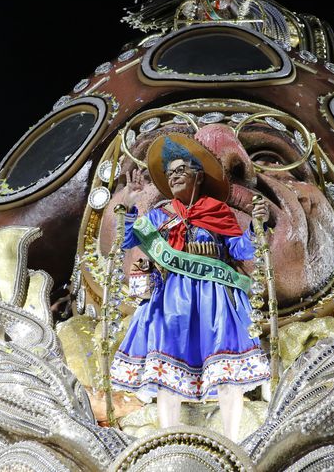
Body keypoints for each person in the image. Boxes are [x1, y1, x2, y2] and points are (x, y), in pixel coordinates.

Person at [110, 133, 270, 441]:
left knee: (227, 375)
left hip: (217, 301)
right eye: (169, 174)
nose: (173, 177)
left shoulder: (218, 212)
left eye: (180, 171)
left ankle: (231, 442)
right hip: (172, 301)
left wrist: (257, 226)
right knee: (167, 374)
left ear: (198, 176)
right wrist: (130, 206)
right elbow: (129, 241)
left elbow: (242, 252)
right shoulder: (160, 214)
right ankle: (169, 442)